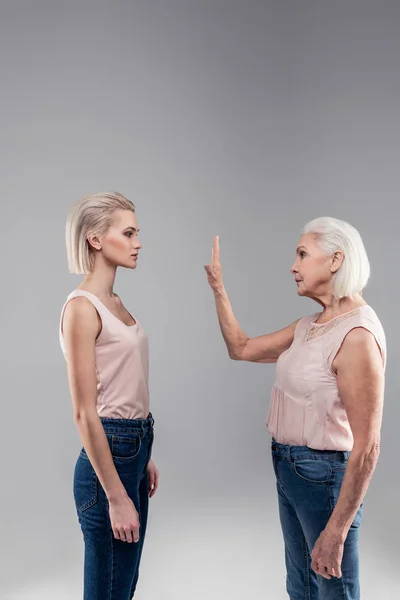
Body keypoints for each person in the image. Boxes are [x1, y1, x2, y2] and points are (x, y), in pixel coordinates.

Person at [204, 216, 386, 600]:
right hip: (289, 470)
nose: (293, 265)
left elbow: (368, 447)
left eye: (303, 254)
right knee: (302, 589)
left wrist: (337, 531)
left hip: (324, 478)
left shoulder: (356, 335)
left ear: (335, 261)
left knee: (333, 590)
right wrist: (219, 290)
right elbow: (242, 348)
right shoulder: (310, 325)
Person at [59, 192, 159, 600]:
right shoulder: (82, 308)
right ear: (96, 239)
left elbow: (121, 384)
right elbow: (85, 412)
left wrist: (143, 453)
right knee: (108, 588)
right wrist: (116, 496)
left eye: (138, 233)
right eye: (129, 233)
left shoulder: (114, 302)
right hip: (109, 459)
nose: (138, 242)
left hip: (132, 447)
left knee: (123, 584)